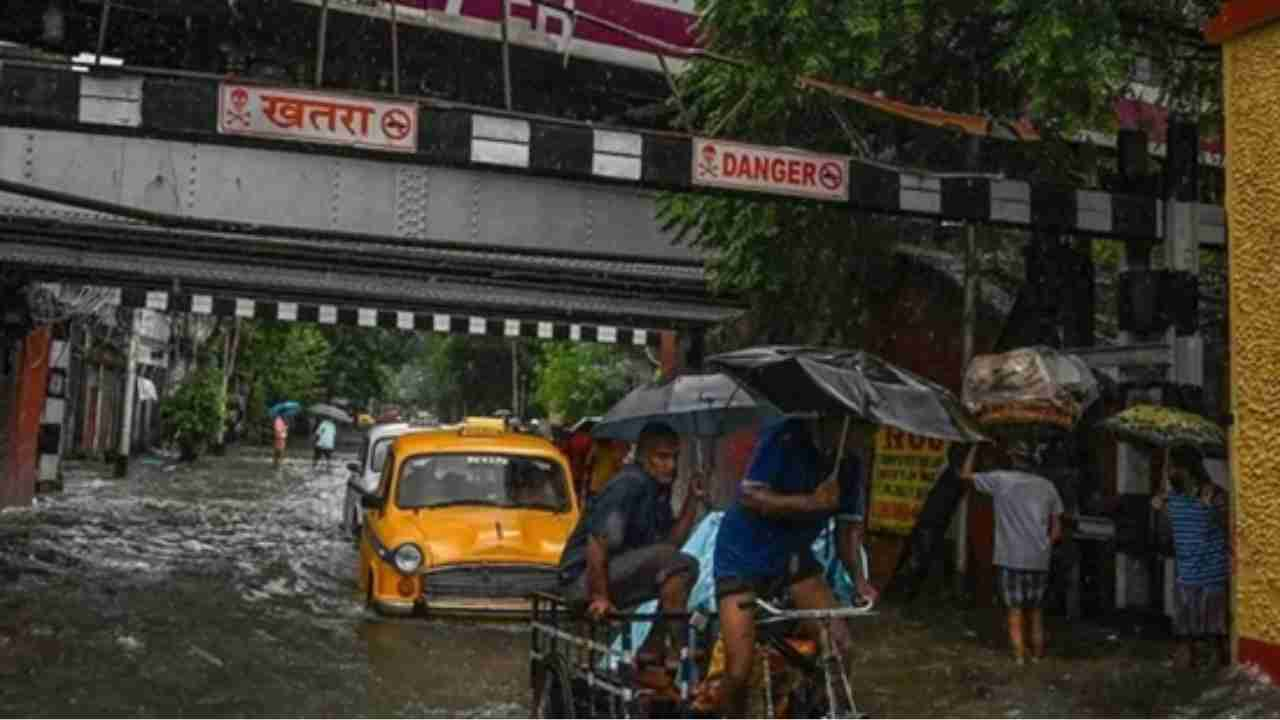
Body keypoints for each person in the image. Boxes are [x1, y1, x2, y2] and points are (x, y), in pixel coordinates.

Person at [714, 416, 875, 718]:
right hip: (742, 556)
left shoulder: (850, 466)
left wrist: (859, 580)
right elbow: (750, 495)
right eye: (860, 430)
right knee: (739, 669)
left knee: (840, 647)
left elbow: (847, 533)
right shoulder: (785, 435)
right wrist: (810, 503)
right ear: (837, 422)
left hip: (793, 557)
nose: (865, 440)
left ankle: (816, 708)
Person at [556, 422, 705, 688]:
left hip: (616, 571)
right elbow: (596, 542)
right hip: (582, 579)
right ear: (644, 457)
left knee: (683, 567)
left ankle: (651, 649)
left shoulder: (657, 489)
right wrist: (600, 596)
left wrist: (692, 500)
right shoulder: (630, 484)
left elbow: (671, 546)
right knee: (684, 564)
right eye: (662, 457)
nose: (670, 465)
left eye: (674, 458)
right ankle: (673, 650)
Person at [958, 442, 1064, 665]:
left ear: (1014, 460)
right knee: (1035, 611)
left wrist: (974, 447)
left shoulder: (1001, 480)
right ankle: (1037, 655)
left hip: (1011, 558)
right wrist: (1044, 545)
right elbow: (1056, 530)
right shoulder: (1048, 486)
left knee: (1014, 610)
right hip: (1039, 558)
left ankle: (1019, 656)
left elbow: (965, 476)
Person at [1152, 446, 1231, 669]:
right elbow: (1165, 537)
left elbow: (1231, 529)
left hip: (1212, 576)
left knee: (1216, 638)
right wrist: (1160, 512)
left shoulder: (1214, 494)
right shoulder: (1172, 499)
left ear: (1187, 469)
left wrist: (1215, 509)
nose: (1169, 473)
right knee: (1184, 639)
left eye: (1173, 468)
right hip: (1186, 578)